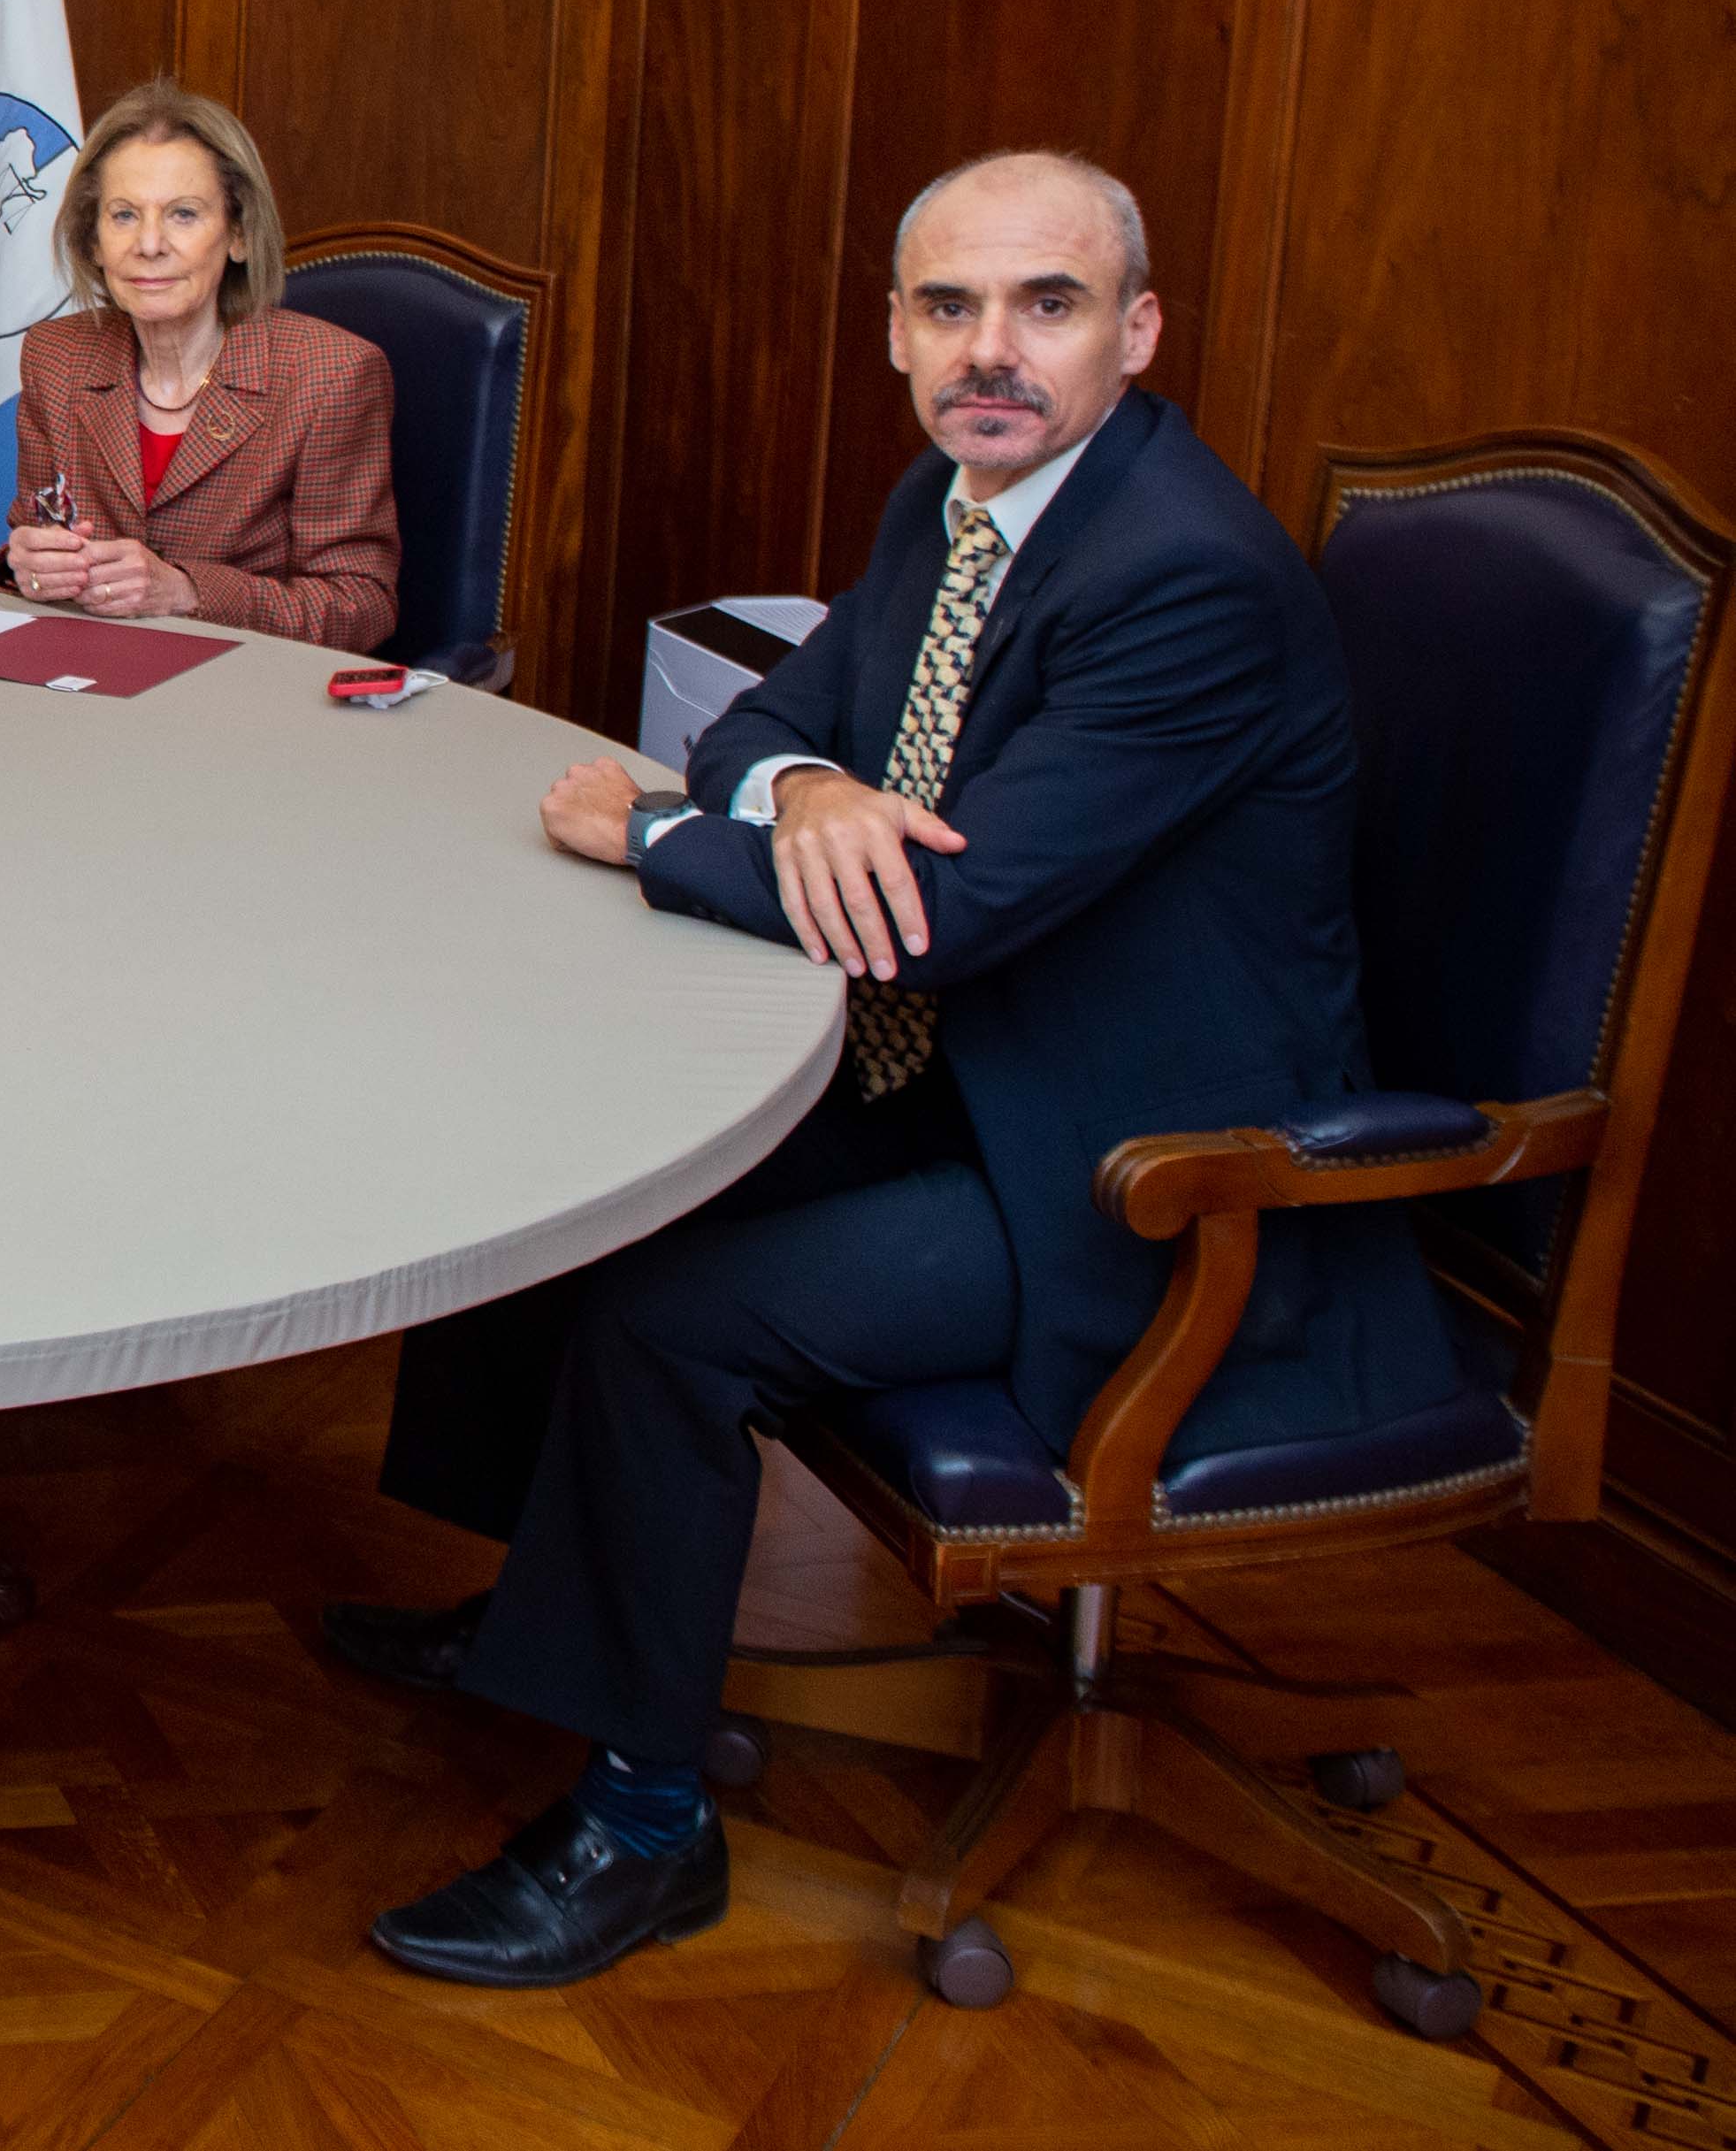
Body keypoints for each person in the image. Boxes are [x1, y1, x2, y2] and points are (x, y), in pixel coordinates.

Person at [331, 150, 1458, 1988]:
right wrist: (805, 788)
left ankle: (640, 1825)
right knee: (556, 1154)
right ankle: (547, 1618)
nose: (990, 351)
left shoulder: (1185, 579)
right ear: (894, 333)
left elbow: (945, 917)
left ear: (1138, 331)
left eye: (1048, 303)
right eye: (949, 307)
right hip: (973, 1086)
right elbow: (786, 714)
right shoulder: (957, 502)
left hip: (1147, 1174)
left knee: (673, 1311)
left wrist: (655, 836)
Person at [0, 82, 399, 650]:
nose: (150, 244)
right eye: (124, 215)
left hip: (249, 697)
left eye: (183, 214)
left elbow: (361, 605)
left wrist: (186, 591)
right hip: (85, 682)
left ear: (237, 235)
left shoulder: (330, 375)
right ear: (93, 242)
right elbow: (34, 543)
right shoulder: (55, 357)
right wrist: (30, 567)